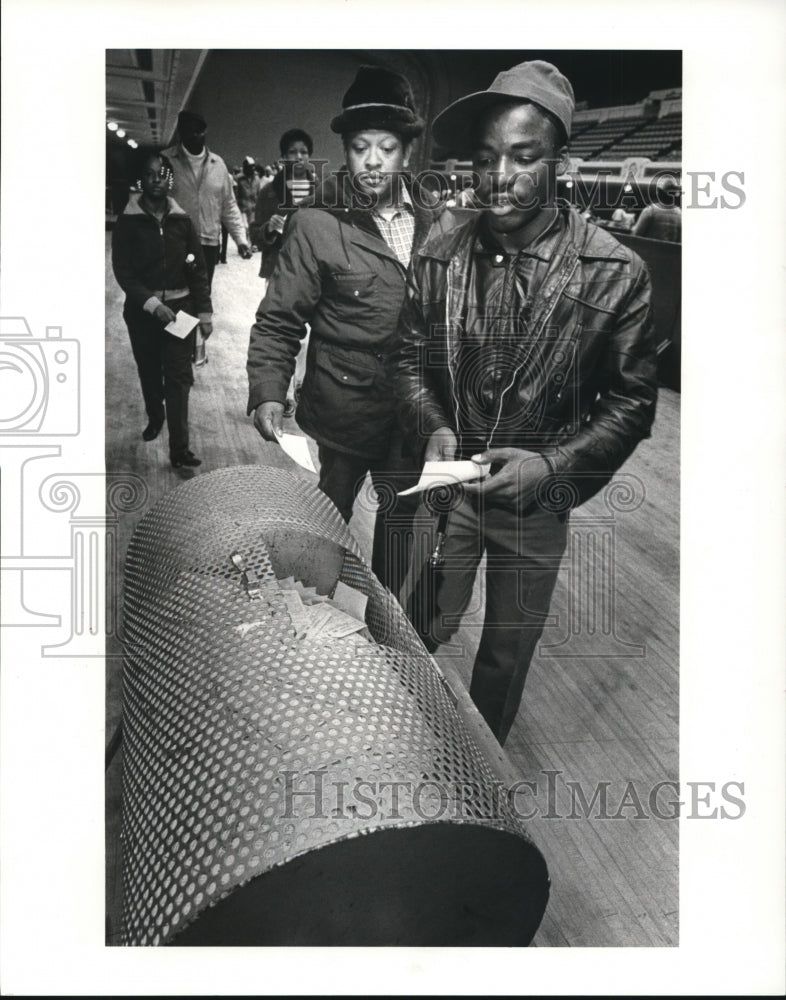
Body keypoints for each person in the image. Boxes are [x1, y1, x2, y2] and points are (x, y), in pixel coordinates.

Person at [393, 60, 658, 745]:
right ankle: (406, 743)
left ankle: (478, 783)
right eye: (486, 158)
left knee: (506, 654)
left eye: (522, 157)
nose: (499, 177)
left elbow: (631, 403)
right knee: (420, 624)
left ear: (558, 161)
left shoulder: (615, 272)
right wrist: (434, 426)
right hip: (452, 487)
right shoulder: (442, 250)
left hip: (538, 500)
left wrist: (552, 467)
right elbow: (408, 357)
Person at [246, 66, 451, 594]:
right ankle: (312, 618)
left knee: (400, 532)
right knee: (326, 524)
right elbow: (279, 317)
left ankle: (383, 627)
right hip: (343, 411)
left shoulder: (439, 221)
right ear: (346, 150)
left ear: (407, 152)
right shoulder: (317, 221)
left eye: (387, 146)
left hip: (413, 415)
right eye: (361, 147)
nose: (374, 160)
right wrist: (268, 388)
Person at [111, 150, 212, 469]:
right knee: (150, 371)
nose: (158, 179)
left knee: (180, 378)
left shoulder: (182, 221)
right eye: (150, 174)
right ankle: (156, 416)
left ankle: (179, 449)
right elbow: (123, 270)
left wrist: (205, 311)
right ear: (141, 179)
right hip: (143, 314)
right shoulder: (128, 222)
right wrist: (152, 304)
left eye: (163, 174)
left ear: (170, 180)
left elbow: (196, 266)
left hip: (181, 311)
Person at [250, 128, 318, 415]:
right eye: (292, 152)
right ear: (282, 158)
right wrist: (268, 227)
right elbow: (256, 234)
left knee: (312, 336)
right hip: (280, 271)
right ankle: (282, 393)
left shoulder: (321, 190)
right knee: (283, 332)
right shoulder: (269, 192)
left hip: (316, 272)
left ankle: (301, 387)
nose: (299, 157)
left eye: (304, 152)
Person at [633, 175, 682, 242]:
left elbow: (636, 235)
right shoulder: (680, 213)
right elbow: (680, 240)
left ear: (660, 193)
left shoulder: (650, 211)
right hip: (669, 252)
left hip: (648, 251)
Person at [236, 155, 262, 250]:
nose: (252, 169)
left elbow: (259, 193)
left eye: (253, 167)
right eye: (250, 167)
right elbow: (236, 195)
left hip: (253, 207)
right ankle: (244, 244)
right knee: (245, 227)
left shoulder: (257, 179)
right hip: (242, 207)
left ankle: (251, 245)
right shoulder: (239, 179)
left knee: (252, 227)